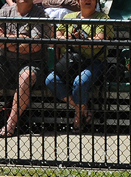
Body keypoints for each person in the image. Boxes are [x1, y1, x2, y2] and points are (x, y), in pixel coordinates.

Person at [0, 0, 49, 137]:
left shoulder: (41, 15)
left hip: (32, 62)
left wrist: (5, 40)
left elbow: (34, 46)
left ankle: (10, 124)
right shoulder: (5, 11)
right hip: (5, 61)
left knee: (26, 76)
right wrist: (21, 40)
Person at [45, 0, 111, 132]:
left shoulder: (103, 18)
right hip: (70, 61)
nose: (88, 1)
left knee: (80, 82)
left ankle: (78, 116)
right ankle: (82, 108)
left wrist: (73, 40)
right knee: (50, 80)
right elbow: (57, 37)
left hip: (93, 62)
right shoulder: (68, 17)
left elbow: (99, 41)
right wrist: (79, 40)